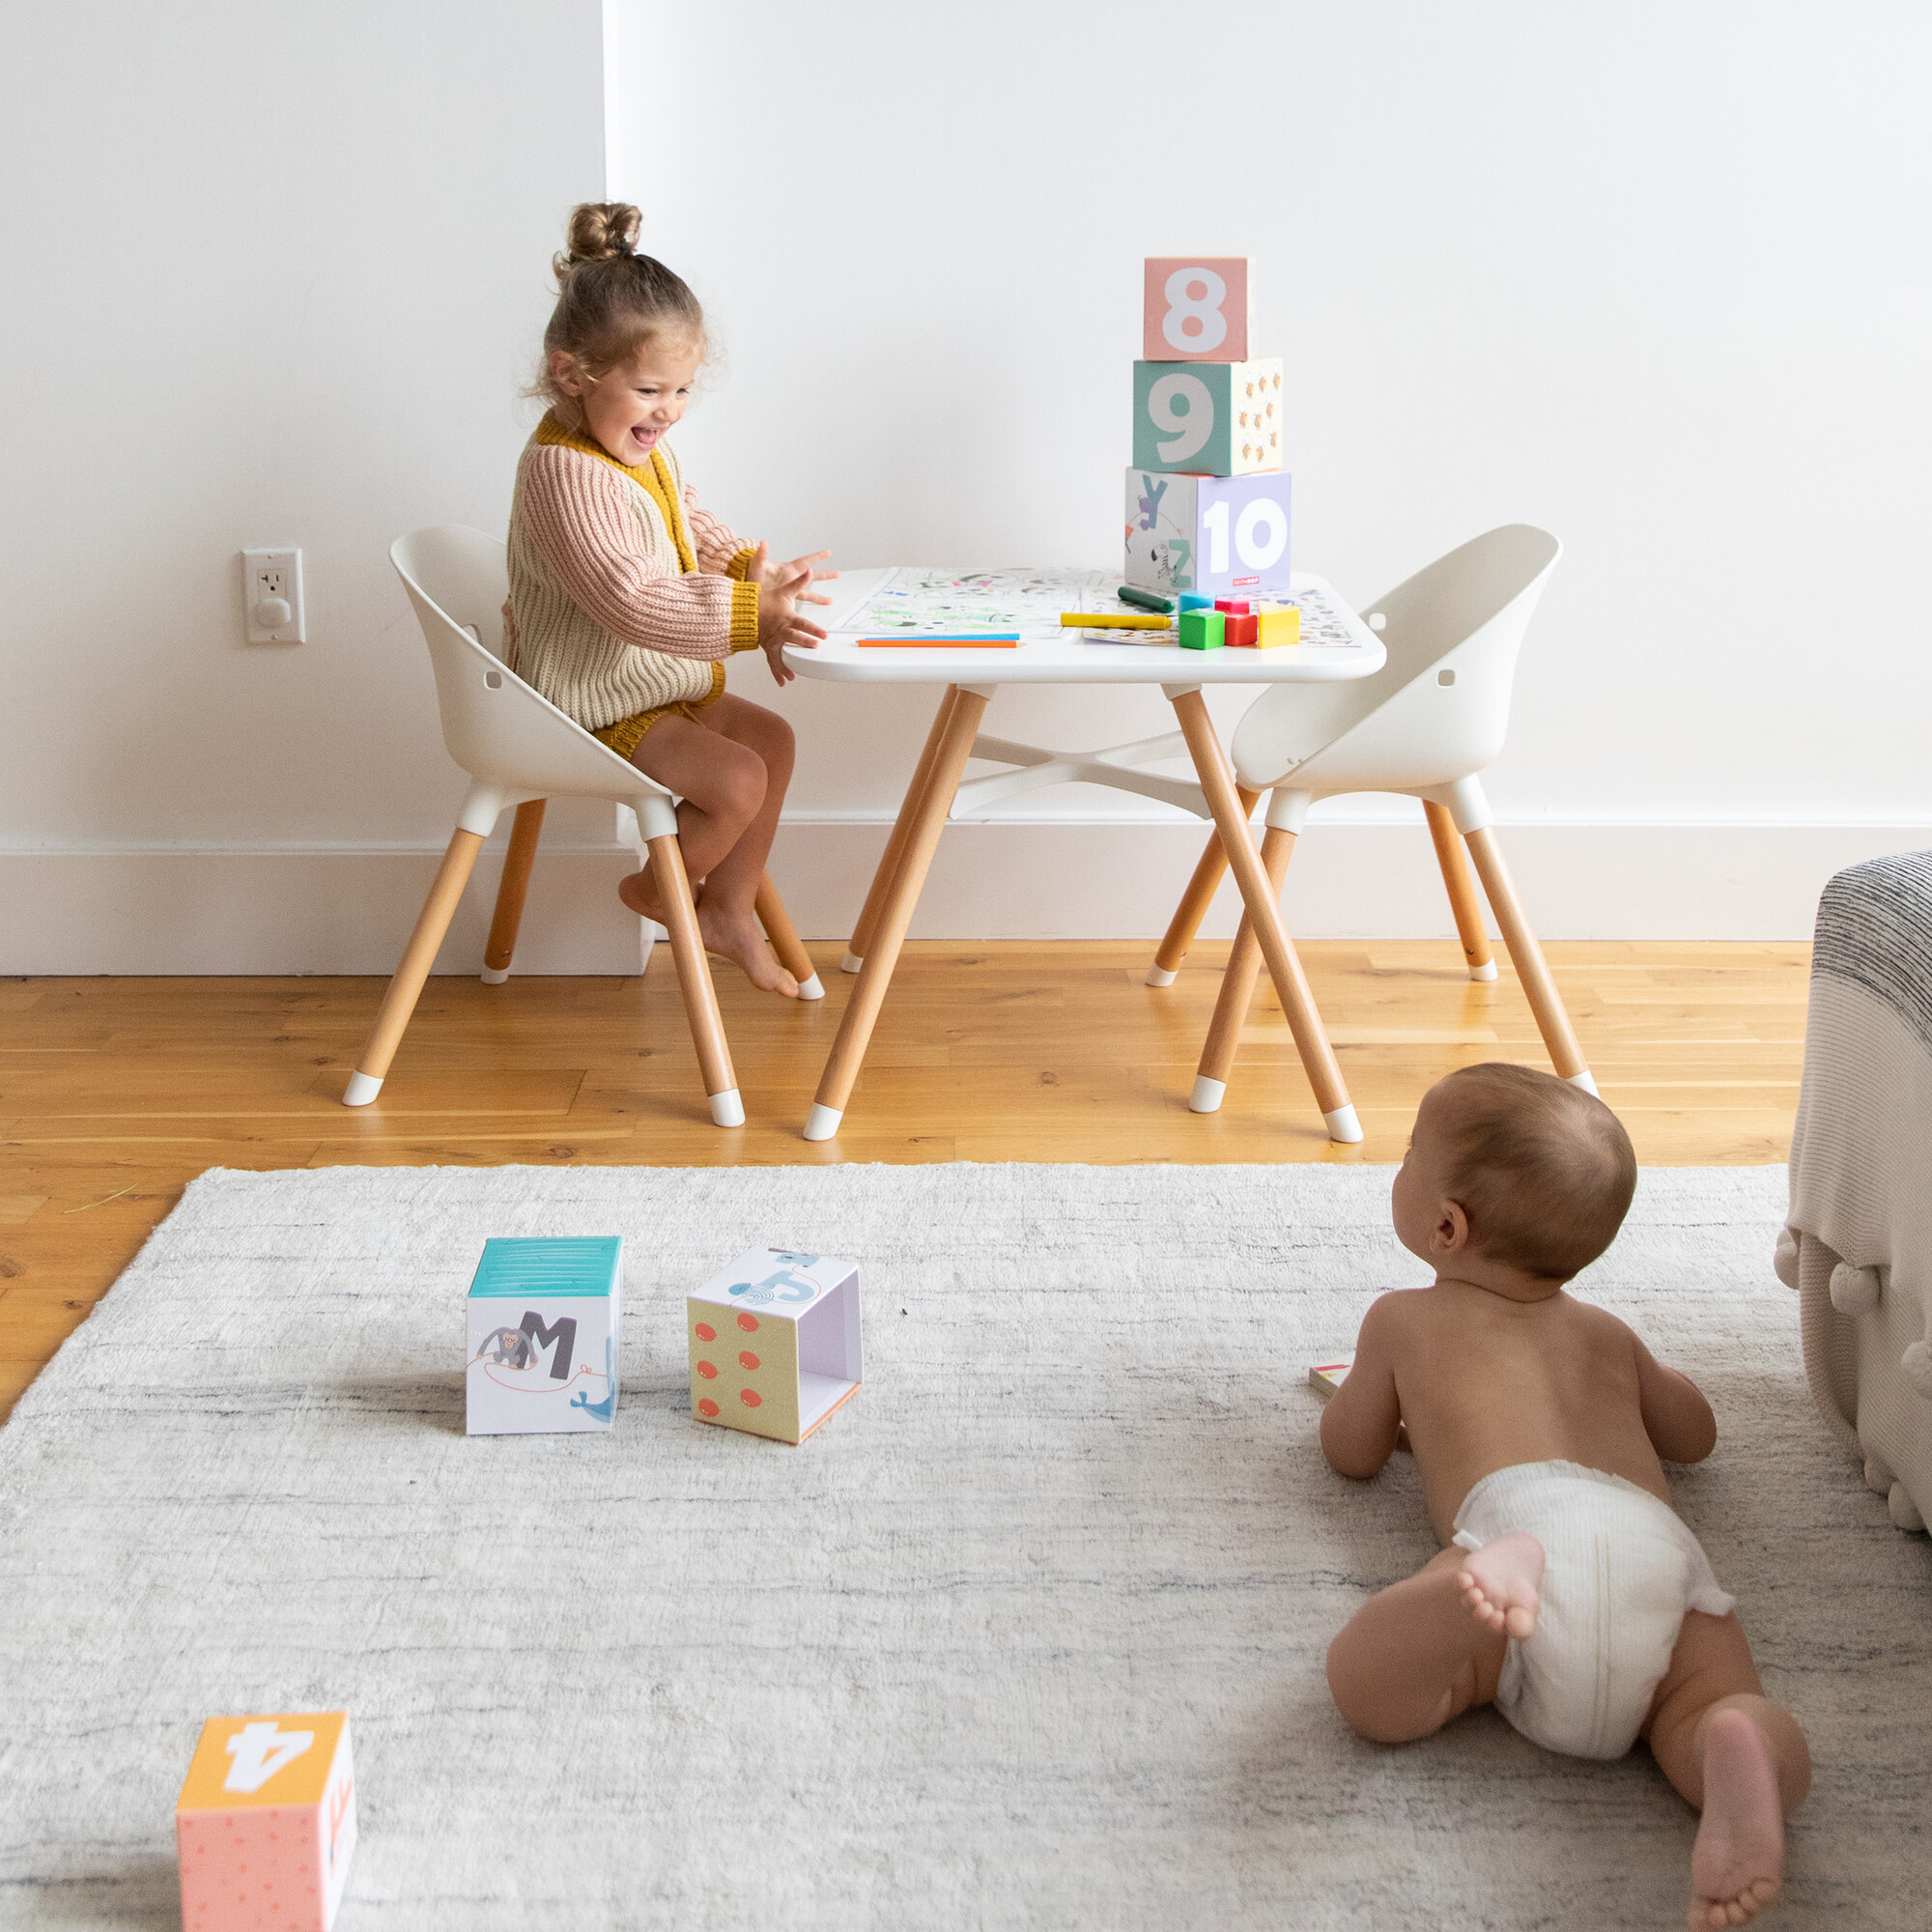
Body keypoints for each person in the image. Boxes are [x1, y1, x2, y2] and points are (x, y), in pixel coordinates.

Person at [1320, 1063, 1810, 1931]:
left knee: (1368, 1688)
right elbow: (1695, 1436)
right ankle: (1738, 1749)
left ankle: (1474, 1594)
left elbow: (1352, 1454)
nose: (1397, 1166)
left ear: (1445, 1226)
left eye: (1406, 1156)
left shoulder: (1401, 1321)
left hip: (1521, 1530)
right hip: (1657, 1548)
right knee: (1709, 1706)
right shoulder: (1605, 1334)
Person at [506, 201, 836, 995]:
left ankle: (723, 910)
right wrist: (751, 619)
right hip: (585, 696)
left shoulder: (636, 452)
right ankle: (657, 893)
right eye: (651, 389)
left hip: (646, 683)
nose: (669, 411)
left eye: (683, 390)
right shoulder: (565, 473)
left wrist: (755, 577)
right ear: (572, 375)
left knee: (774, 744)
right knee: (736, 782)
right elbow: (630, 599)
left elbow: (689, 524)